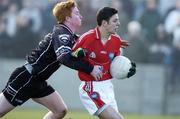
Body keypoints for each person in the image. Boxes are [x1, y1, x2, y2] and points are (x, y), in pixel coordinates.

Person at [0, 0, 103, 119]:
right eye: (76, 13)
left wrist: (110, 42)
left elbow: (88, 43)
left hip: (38, 81)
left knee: (60, 110)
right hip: (26, 78)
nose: (81, 15)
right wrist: (90, 69)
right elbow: (64, 57)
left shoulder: (71, 36)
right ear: (68, 18)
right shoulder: (61, 33)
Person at [72, 7, 136, 119]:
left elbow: (116, 66)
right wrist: (78, 54)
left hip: (108, 87)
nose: (119, 24)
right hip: (90, 87)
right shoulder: (88, 37)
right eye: (115, 21)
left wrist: (127, 71)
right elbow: (71, 55)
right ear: (104, 23)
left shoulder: (116, 41)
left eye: (118, 20)